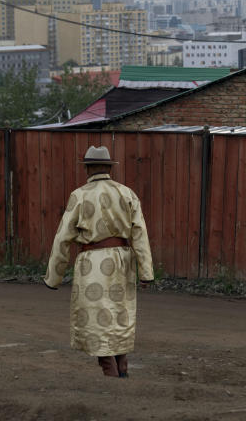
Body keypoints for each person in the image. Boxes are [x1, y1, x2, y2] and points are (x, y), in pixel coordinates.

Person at [43, 145, 154, 378]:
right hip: (123, 261)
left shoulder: (80, 195)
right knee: (118, 314)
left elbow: (62, 237)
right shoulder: (127, 193)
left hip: (92, 262)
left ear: (88, 168)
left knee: (96, 317)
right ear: (108, 168)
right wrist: (146, 273)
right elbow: (140, 234)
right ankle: (122, 367)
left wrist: (54, 277)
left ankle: (109, 372)